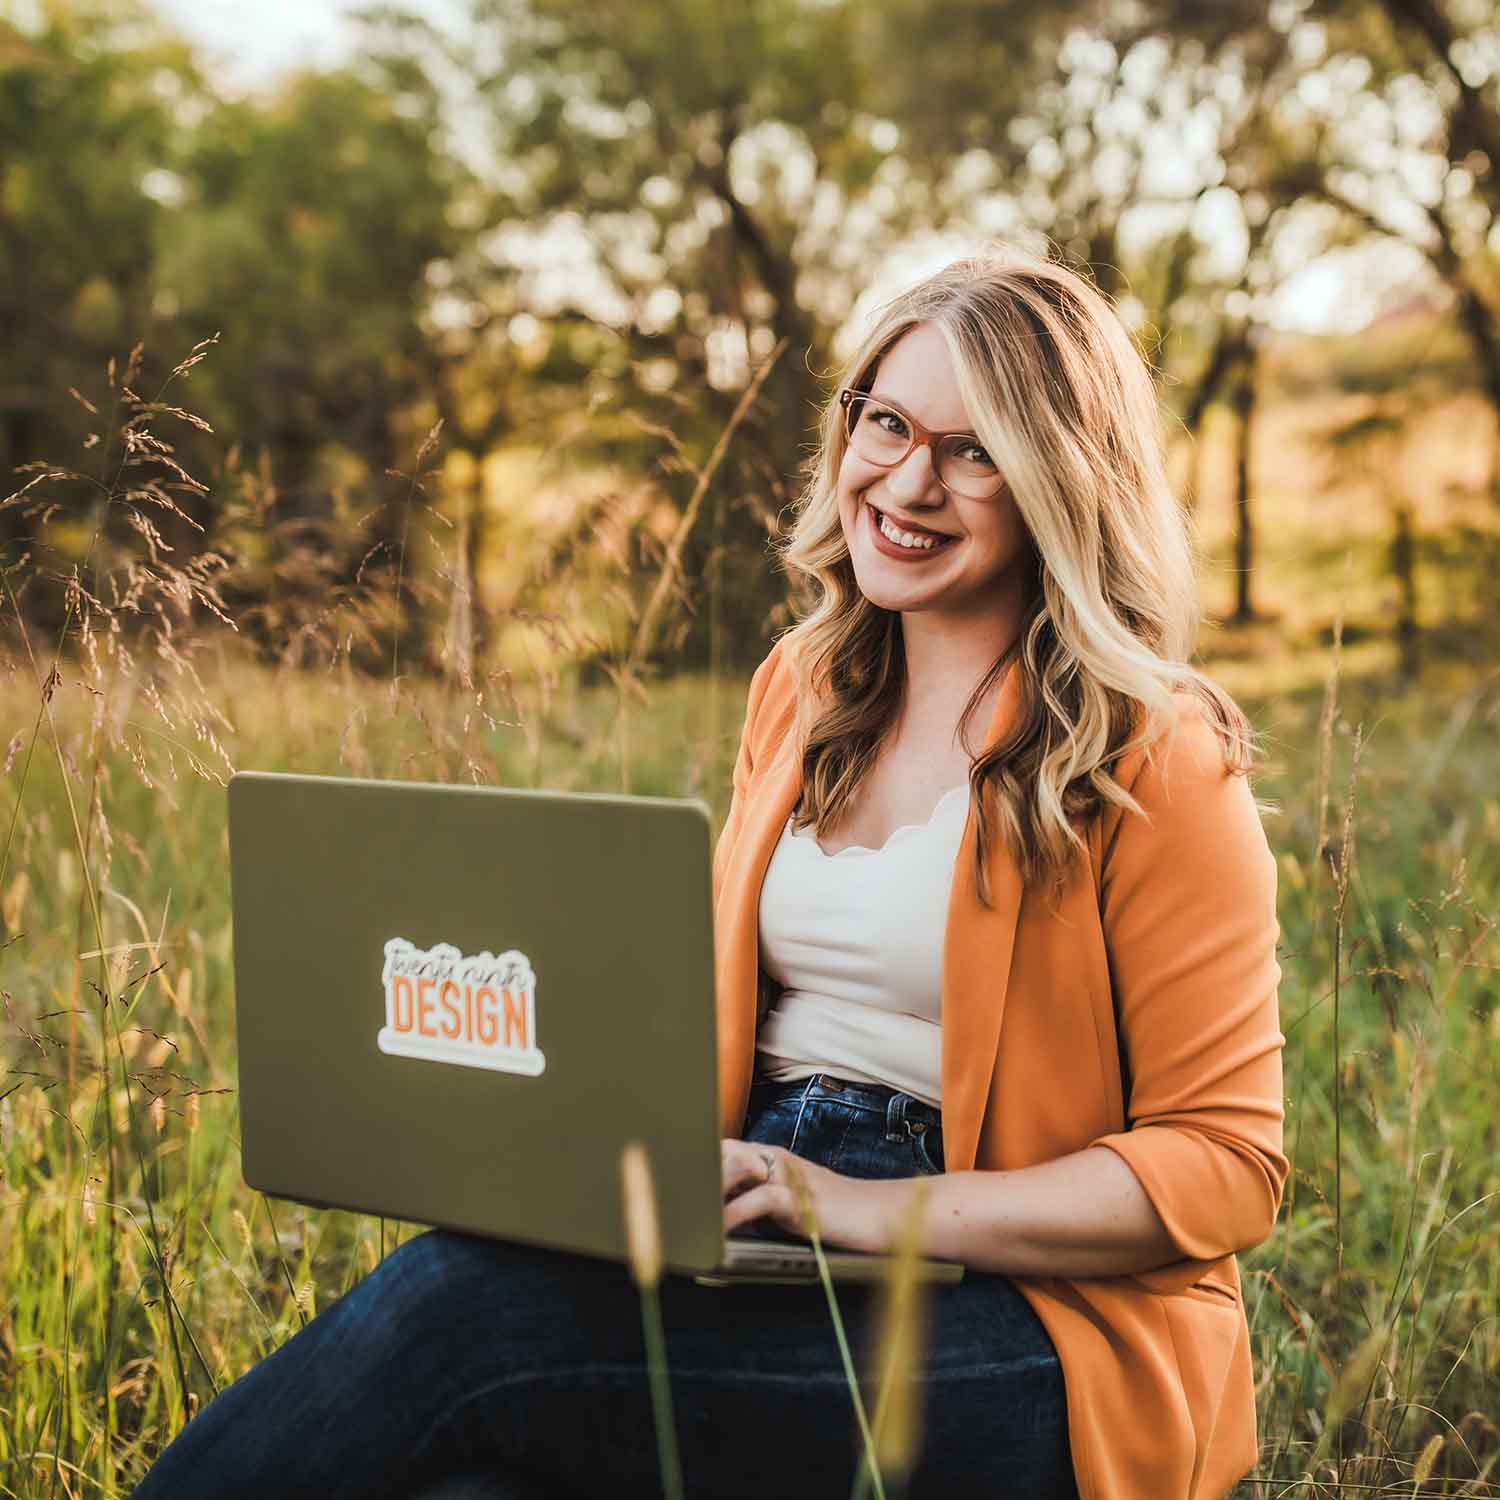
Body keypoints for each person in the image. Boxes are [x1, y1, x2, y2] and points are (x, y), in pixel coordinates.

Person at [132, 244, 1287, 1500]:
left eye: (974, 450)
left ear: (1059, 480)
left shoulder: (1153, 751)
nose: (908, 480)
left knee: (468, 1316)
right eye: (886, 421)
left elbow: (1226, 1165)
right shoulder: (804, 686)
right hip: (754, 1211)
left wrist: (860, 1207)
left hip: (1031, 1317)